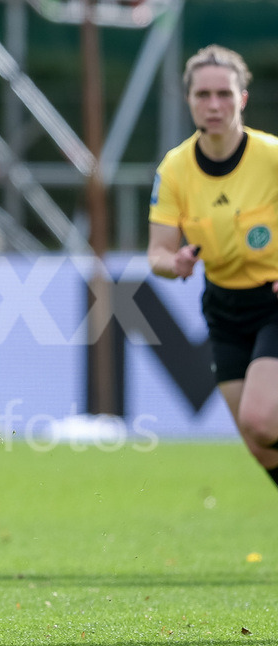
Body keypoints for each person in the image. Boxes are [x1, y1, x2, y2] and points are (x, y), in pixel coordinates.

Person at [148, 44, 278, 490]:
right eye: (203, 94)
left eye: (224, 93)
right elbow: (158, 255)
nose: (214, 104)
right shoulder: (175, 169)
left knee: (262, 420)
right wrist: (176, 262)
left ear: (242, 98)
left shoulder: (272, 157)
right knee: (260, 444)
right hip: (224, 307)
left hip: (273, 299)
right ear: (189, 100)